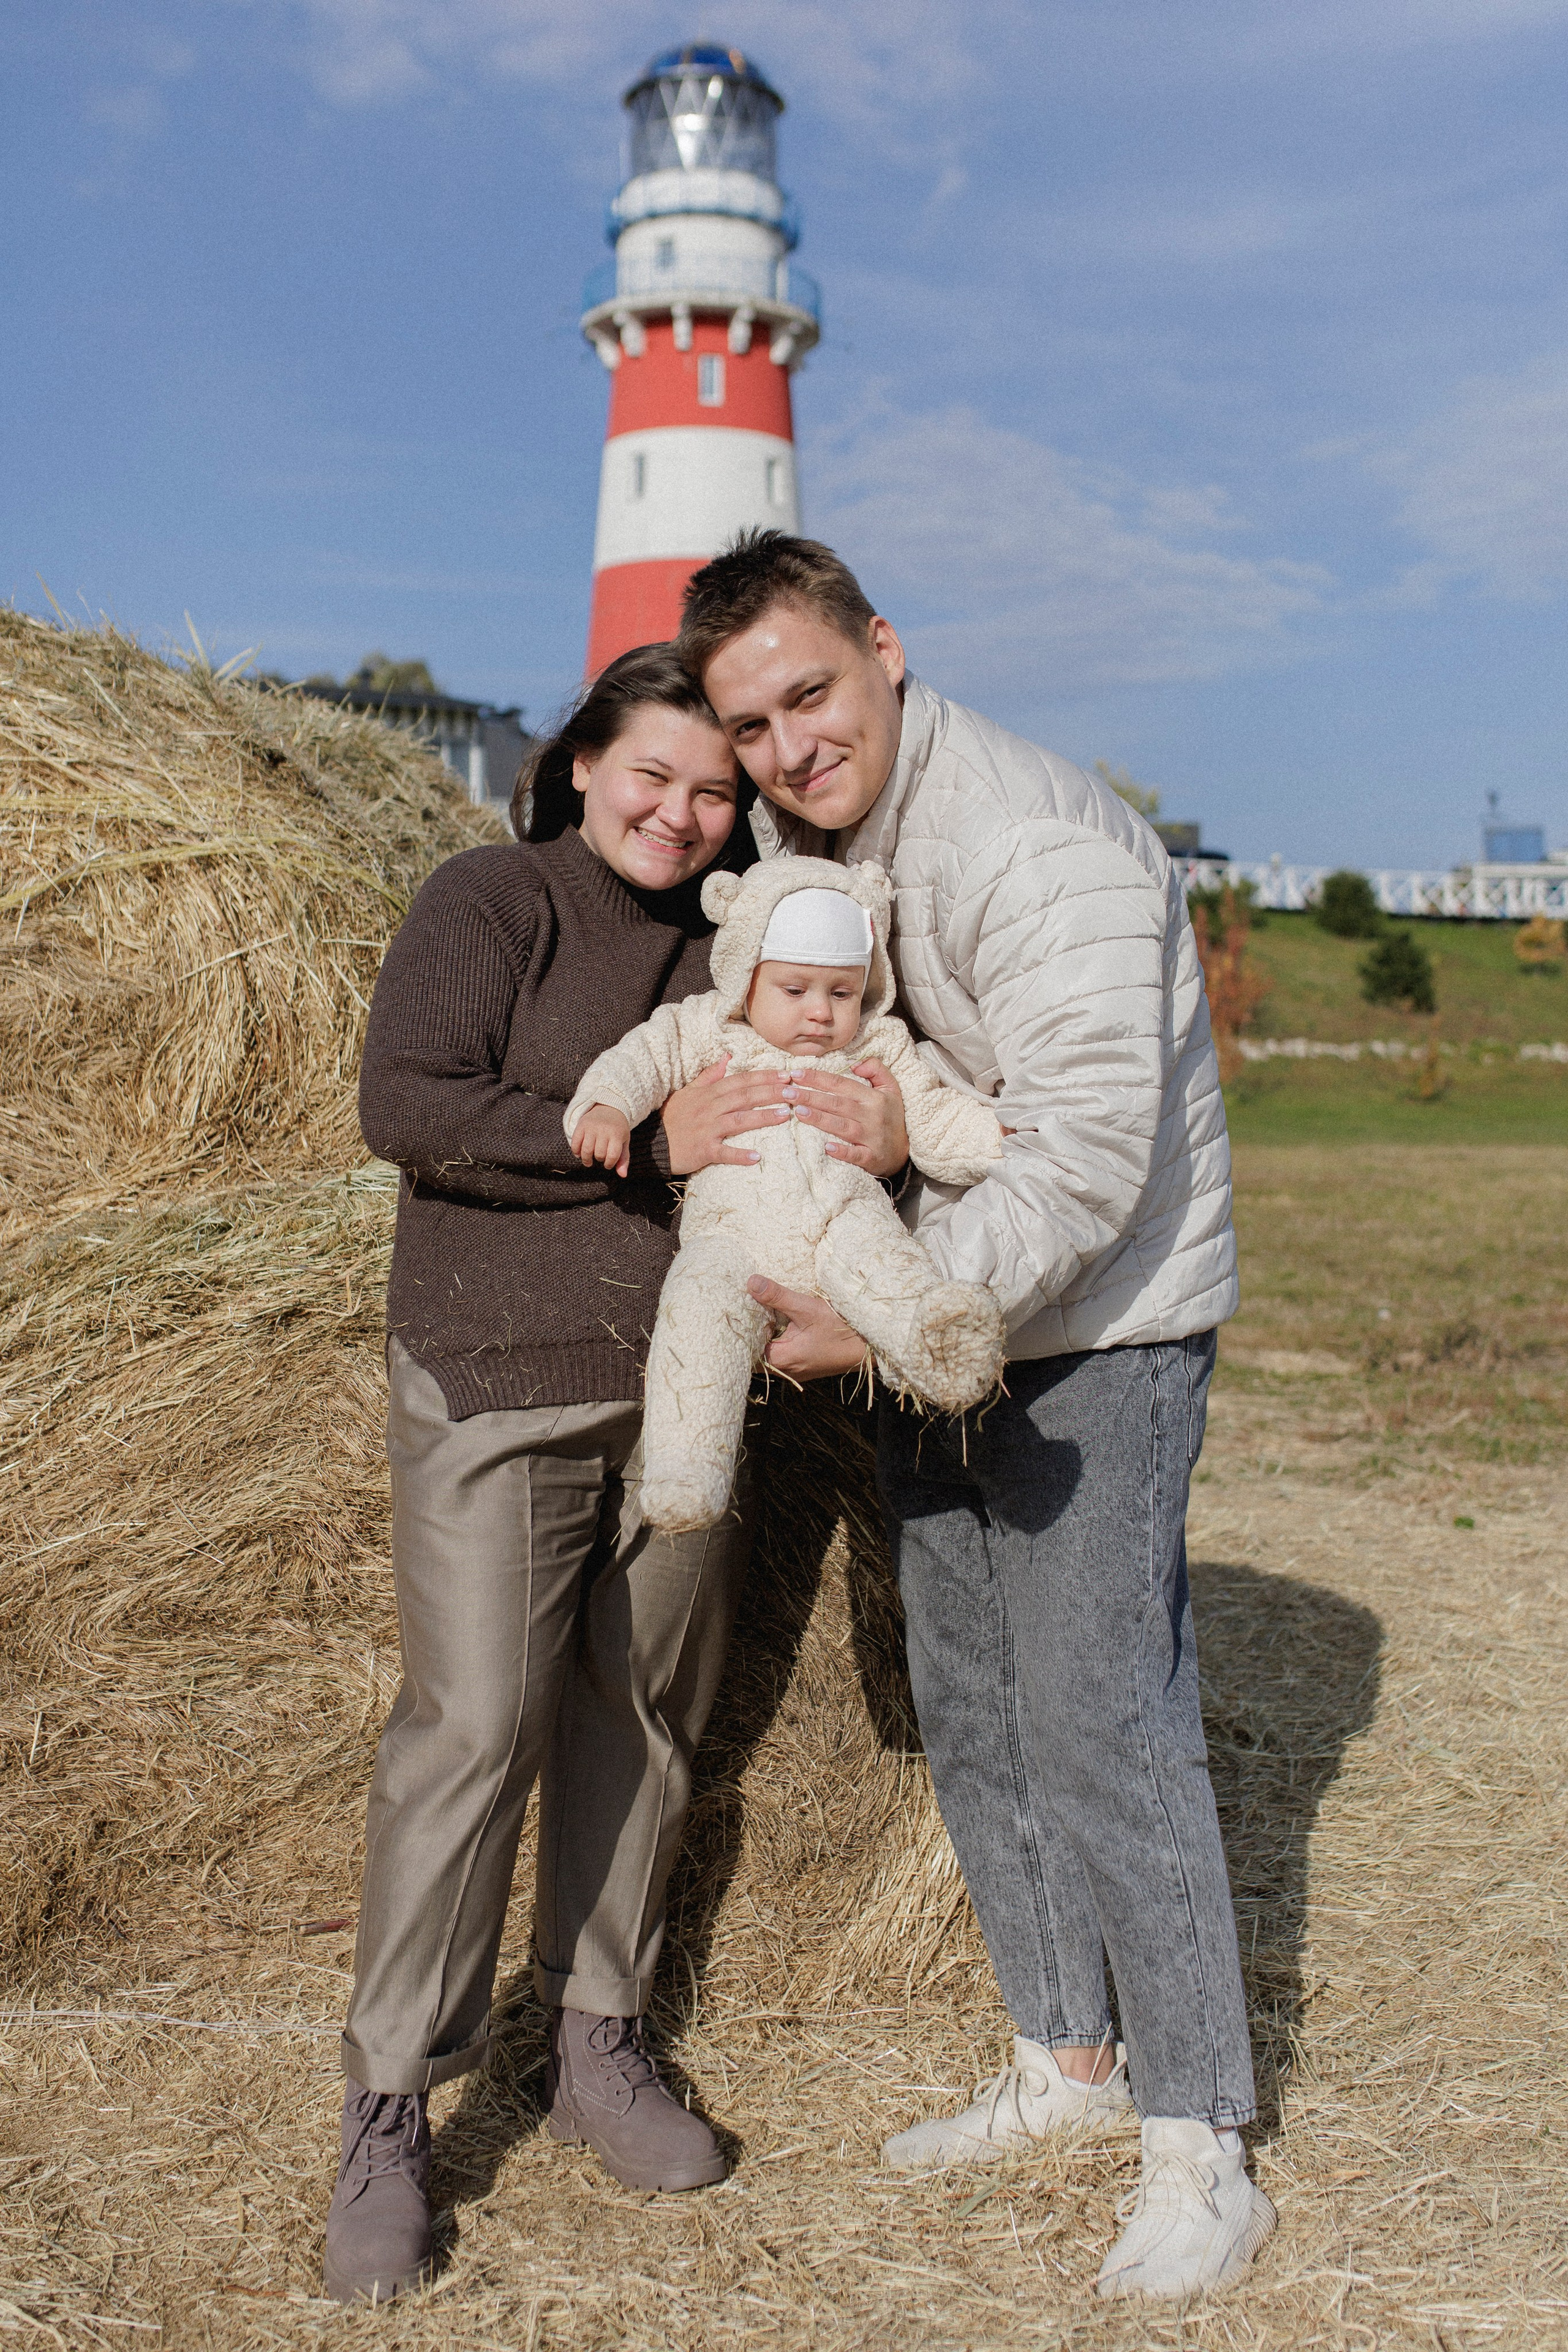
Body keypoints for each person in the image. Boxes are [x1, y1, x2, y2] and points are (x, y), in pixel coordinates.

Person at [676, 532, 1276, 2304]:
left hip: (1097, 1324)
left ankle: (1201, 2143)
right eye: (752, 723)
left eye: (811, 693)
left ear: (883, 648)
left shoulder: (1027, 841)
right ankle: (1066, 2065)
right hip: (934, 1322)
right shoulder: (806, 855)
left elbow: (1089, 1161)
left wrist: (884, 1313)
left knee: (1104, 1715)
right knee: (974, 1698)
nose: (790, 744)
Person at [324, 643, 910, 2305]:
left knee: (642, 1716)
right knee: (475, 1729)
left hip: (685, 1398)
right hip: (498, 1384)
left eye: (714, 788)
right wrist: (648, 1145)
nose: (681, 809)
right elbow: (407, 1104)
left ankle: (597, 2046)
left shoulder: (746, 949)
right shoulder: (492, 898)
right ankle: (389, 2113)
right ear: (582, 761)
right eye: (651, 773)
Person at [564, 856, 1006, 1530]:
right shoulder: (710, 1029)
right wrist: (605, 1108)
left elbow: (930, 1115)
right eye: (795, 990)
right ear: (748, 977)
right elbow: (640, 1059)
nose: (820, 1014)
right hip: (732, 1239)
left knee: (889, 1266)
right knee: (697, 1309)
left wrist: (1005, 1140)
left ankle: (939, 1349)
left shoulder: (877, 1045)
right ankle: (687, 1471)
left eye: (841, 992)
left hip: (844, 1223)